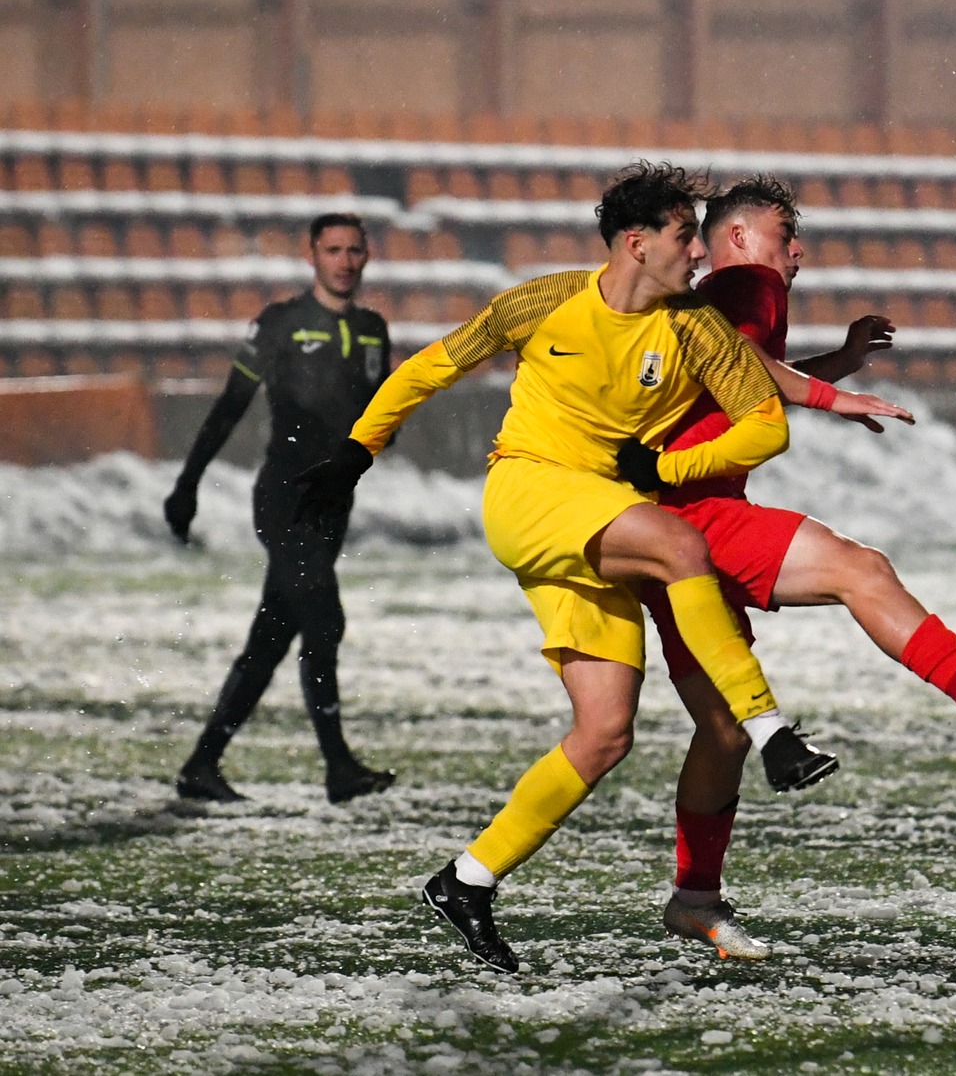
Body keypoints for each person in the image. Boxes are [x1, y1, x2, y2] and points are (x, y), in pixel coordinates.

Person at [292, 162, 837, 975]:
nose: (698, 253)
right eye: (685, 236)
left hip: (603, 515)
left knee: (604, 732)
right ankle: (770, 730)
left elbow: (766, 427)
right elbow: (434, 365)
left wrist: (669, 469)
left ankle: (466, 879)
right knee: (682, 548)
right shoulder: (544, 300)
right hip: (529, 490)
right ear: (636, 242)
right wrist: (355, 452)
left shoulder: (695, 328)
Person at [631, 177, 956, 961]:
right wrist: (833, 395)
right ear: (739, 237)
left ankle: (694, 897)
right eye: (785, 234)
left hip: (653, 524)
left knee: (722, 729)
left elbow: (740, 377)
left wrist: (837, 363)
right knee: (859, 568)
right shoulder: (750, 284)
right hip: (694, 513)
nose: (795, 252)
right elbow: (747, 364)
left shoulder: (717, 296)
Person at [163, 212, 396, 805]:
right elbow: (230, 405)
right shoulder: (281, 324)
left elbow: (380, 414)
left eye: (354, 250)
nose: (344, 262)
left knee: (272, 636)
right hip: (283, 497)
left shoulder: (373, 330)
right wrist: (188, 484)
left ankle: (202, 765)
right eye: (333, 250)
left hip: (332, 504)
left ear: (367, 257)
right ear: (311, 255)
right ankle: (339, 768)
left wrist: (376, 431)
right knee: (325, 618)